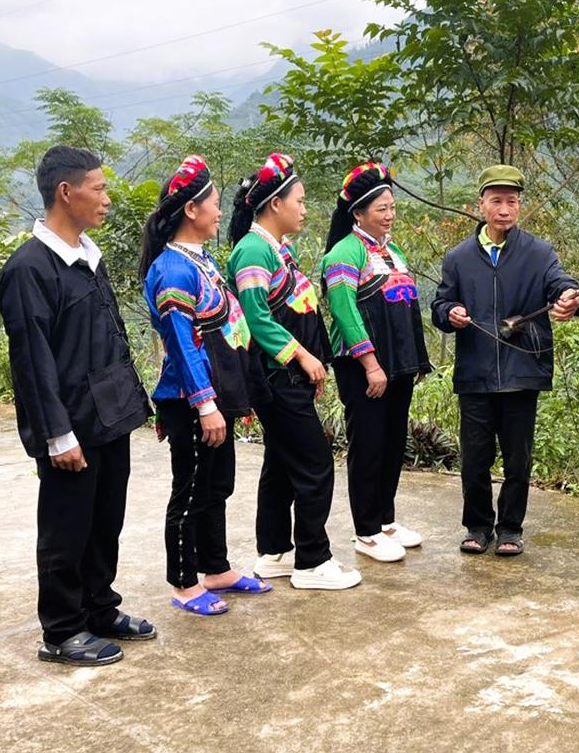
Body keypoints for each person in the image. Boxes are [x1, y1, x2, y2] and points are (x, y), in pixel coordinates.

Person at [0, 145, 154, 665]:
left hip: (110, 415)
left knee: (106, 520)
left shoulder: (88, 255)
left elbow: (109, 339)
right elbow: (33, 360)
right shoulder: (29, 269)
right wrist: (56, 435)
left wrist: (136, 406)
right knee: (66, 528)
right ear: (67, 192)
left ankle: (98, 607)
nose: (107, 198)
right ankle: (62, 629)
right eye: (99, 187)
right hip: (71, 427)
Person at [431, 164, 579, 556]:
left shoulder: (538, 253)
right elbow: (439, 304)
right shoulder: (458, 258)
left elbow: (563, 283)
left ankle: (511, 529)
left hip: (522, 372)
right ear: (481, 204)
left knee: (518, 458)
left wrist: (574, 297)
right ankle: (478, 526)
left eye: (512, 202)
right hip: (476, 373)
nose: (504, 209)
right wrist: (448, 311)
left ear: (519, 206)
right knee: (475, 458)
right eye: (497, 201)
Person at [139, 155, 270, 617]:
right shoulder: (173, 270)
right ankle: (184, 582)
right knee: (190, 489)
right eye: (214, 204)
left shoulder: (200, 259)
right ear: (191, 210)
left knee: (218, 485)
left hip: (219, 398)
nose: (220, 211)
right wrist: (205, 403)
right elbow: (181, 343)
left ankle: (216, 567)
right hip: (191, 400)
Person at [228, 153, 361, 590]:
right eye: (299, 201)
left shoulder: (276, 249)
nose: (304, 209)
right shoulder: (251, 250)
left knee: (282, 464)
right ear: (274, 204)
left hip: (290, 378)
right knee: (314, 464)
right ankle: (312, 560)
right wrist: (302, 357)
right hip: (276, 376)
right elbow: (257, 317)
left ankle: (274, 553)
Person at [321, 163, 432, 563]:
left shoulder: (392, 250)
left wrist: (413, 360)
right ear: (358, 213)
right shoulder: (343, 254)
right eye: (381, 208)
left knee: (391, 441)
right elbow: (345, 312)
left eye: (391, 206)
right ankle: (365, 531)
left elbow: (406, 306)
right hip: (363, 366)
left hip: (397, 365)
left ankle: (386, 520)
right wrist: (370, 363)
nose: (390, 214)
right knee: (368, 443)